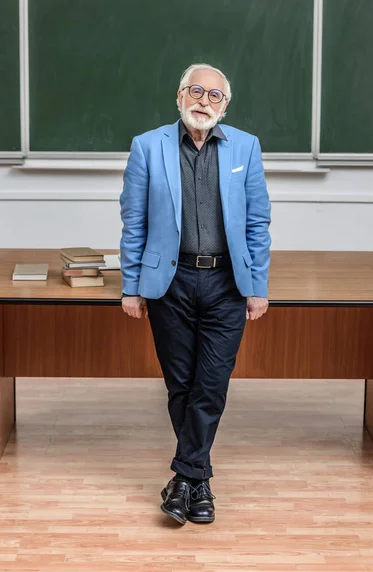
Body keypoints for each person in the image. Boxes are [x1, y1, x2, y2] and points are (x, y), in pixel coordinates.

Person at [119, 63, 271, 525]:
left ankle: (185, 477)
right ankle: (198, 483)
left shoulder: (246, 146)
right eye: (197, 91)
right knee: (180, 383)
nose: (204, 101)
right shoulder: (148, 147)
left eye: (215, 96)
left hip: (228, 283)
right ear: (180, 94)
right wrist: (131, 285)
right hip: (171, 281)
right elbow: (135, 223)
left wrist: (258, 286)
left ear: (226, 105)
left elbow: (257, 223)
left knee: (211, 384)